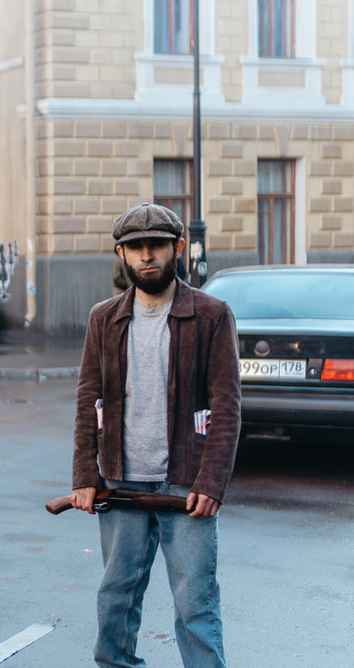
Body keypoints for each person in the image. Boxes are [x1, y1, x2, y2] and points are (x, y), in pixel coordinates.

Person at [71, 202, 241, 668]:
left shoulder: (211, 315)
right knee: (115, 599)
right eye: (136, 248)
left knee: (195, 605)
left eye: (157, 246)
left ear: (177, 248)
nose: (147, 256)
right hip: (121, 481)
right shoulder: (103, 318)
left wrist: (212, 482)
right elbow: (88, 399)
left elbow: (227, 405)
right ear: (122, 254)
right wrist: (85, 474)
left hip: (186, 485)